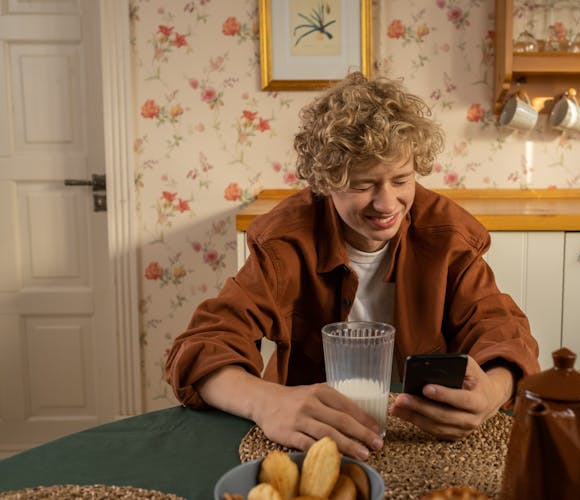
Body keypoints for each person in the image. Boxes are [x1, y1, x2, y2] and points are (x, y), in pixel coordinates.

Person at [164, 72, 540, 461]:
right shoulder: (284, 242)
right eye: (363, 185)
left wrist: (492, 391)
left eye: (402, 179)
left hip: (419, 440)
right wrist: (266, 402)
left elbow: (503, 329)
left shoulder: (449, 234)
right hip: (311, 440)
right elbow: (200, 346)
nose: (387, 203)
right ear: (326, 182)